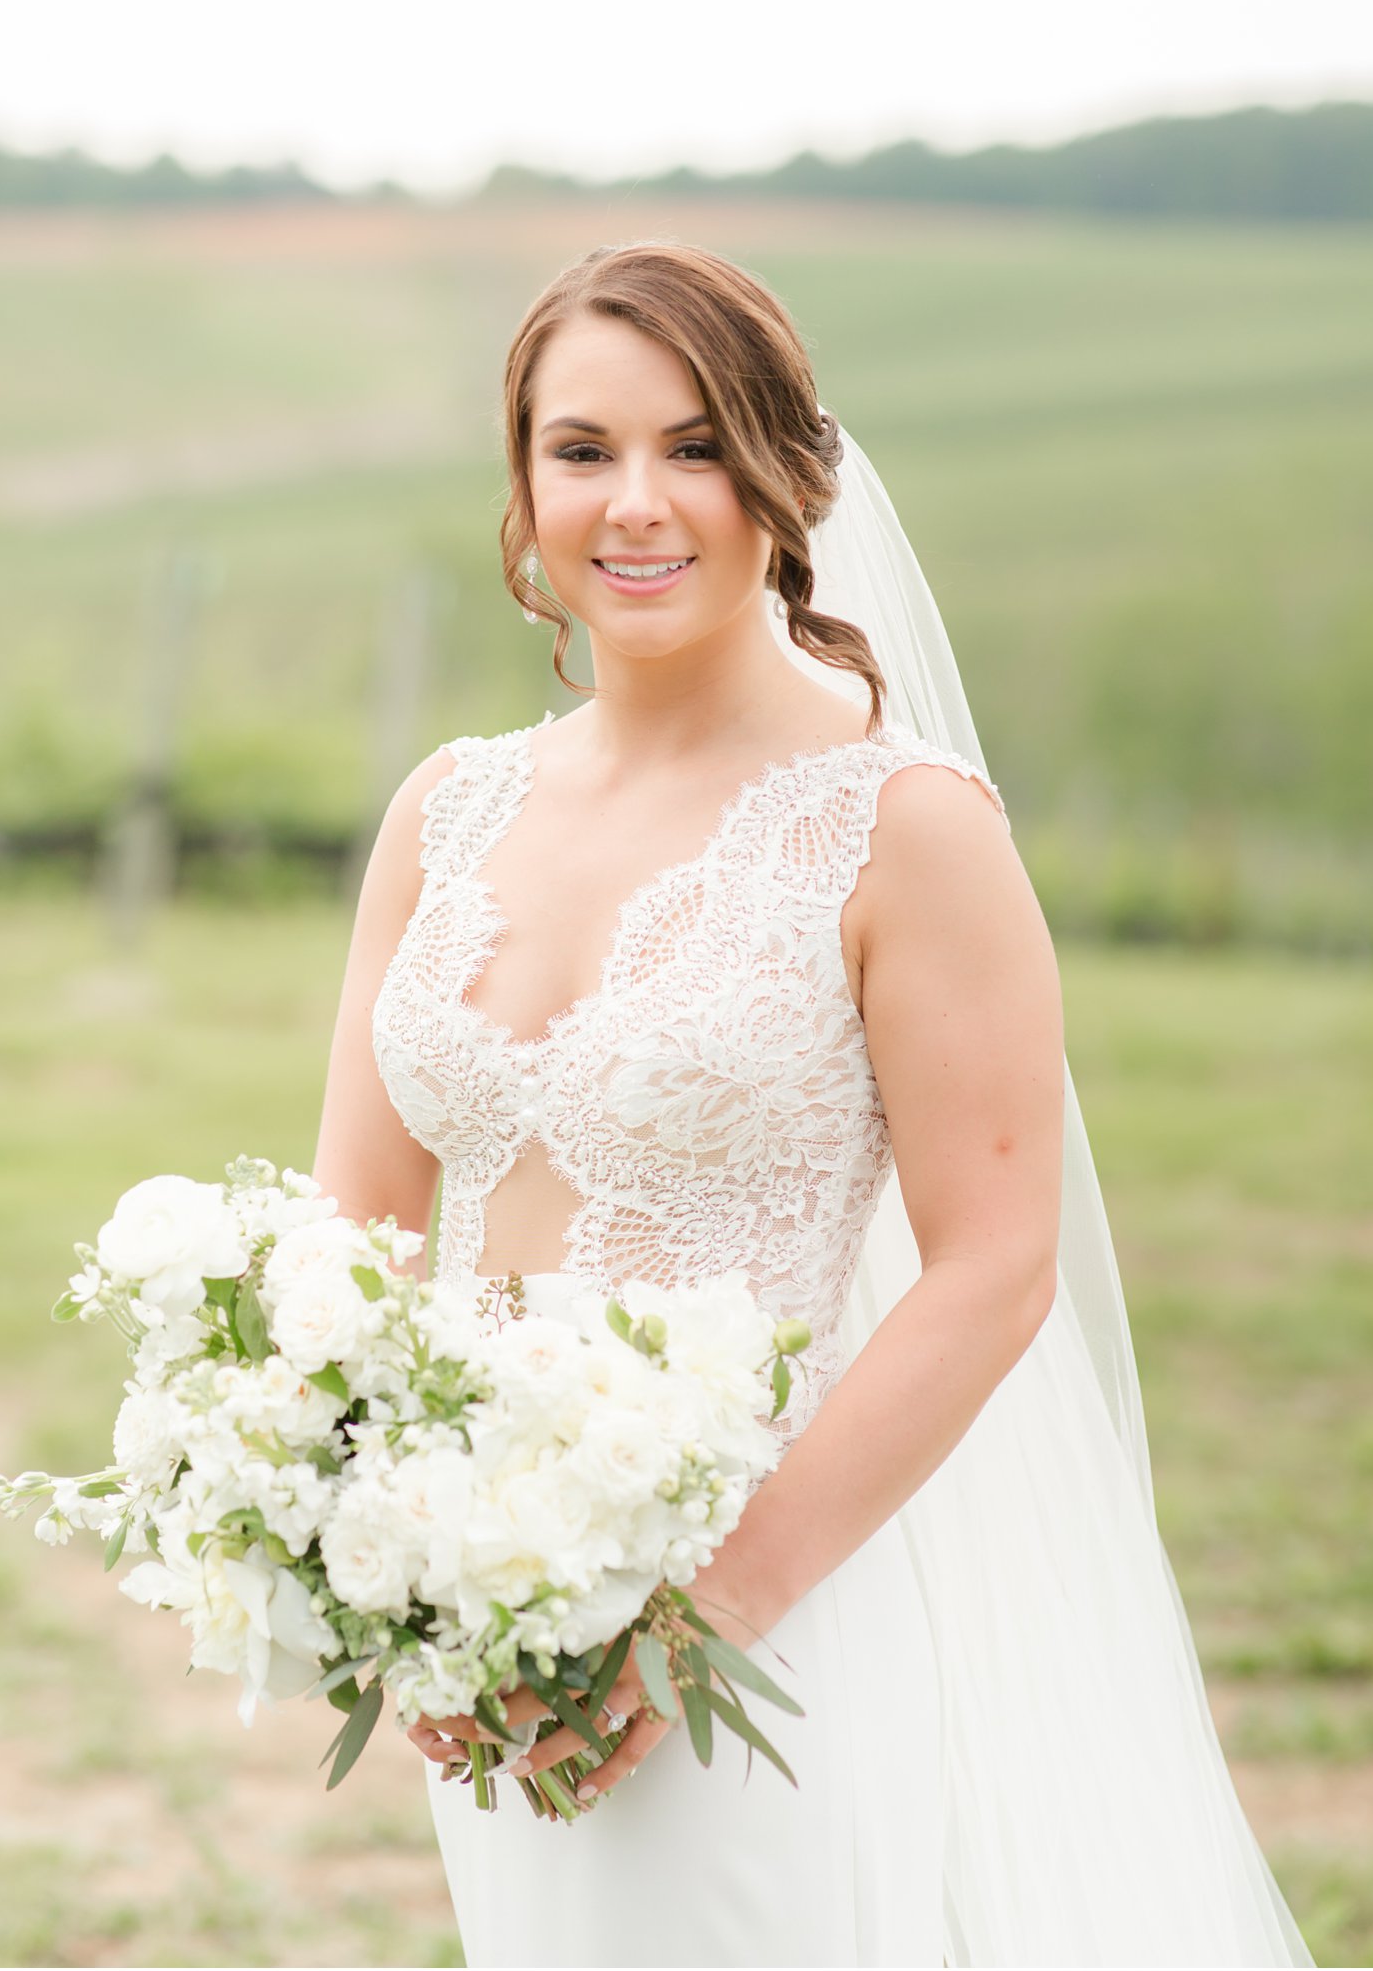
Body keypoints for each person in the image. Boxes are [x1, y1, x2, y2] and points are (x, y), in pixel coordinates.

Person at [312, 243, 1313, 1969]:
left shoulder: (901, 825)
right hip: (484, 1626)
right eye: (583, 449)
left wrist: (712, 1610)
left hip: (761, 1625)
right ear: (522, 482)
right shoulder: (445, 811)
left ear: (787, 474)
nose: (636, 502)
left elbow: (996, 1267)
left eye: (696, 447)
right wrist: (382, 1575)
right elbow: (357, 1235)